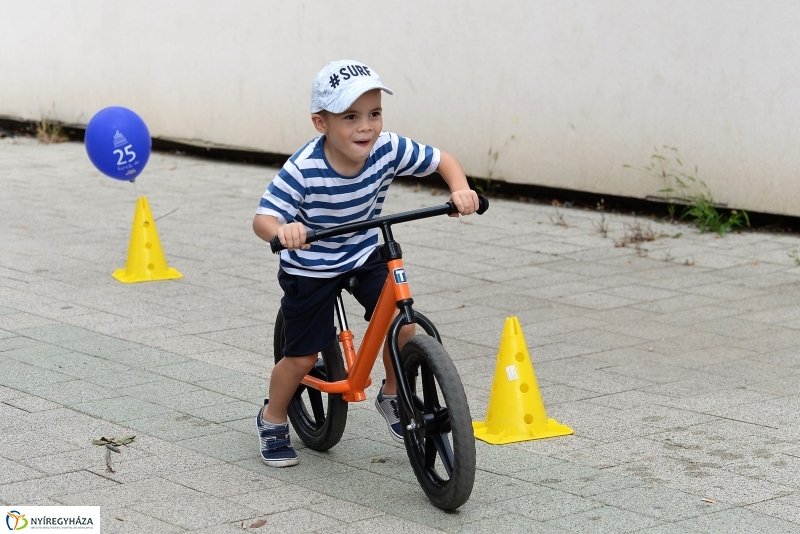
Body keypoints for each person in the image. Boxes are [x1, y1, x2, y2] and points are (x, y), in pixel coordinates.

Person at [253, 59, 479, 467]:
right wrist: (282, 232)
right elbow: (262, 218)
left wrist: (460, 190)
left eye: (374, 114)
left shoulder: (386, 148)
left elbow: (444, 160)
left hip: (361, 252)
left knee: (403, 324)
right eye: (351, 117)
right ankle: (273, 417)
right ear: (321, 123)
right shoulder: (304, 168)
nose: (366, 127)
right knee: (303, 357)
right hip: (312, 264)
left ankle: (393, 392)